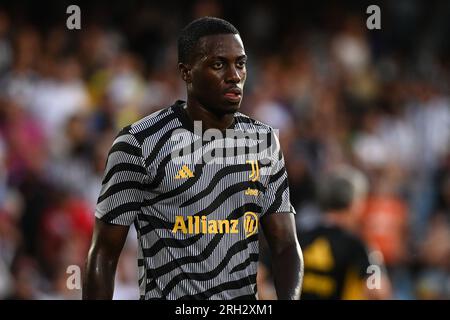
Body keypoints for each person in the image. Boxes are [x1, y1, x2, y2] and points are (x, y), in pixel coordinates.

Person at [82, 17, 303, 300]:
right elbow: (103, 254)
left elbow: (285, 246)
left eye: (241, 63)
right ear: (186, 73)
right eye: (218, 64)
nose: (234, 75)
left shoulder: (263, 141)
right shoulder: (139, 144)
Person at [297, 165, 392, 299]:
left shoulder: (299, 237)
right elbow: (377, 289)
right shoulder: (358, 246)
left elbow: (261, 275)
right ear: (355, 204)